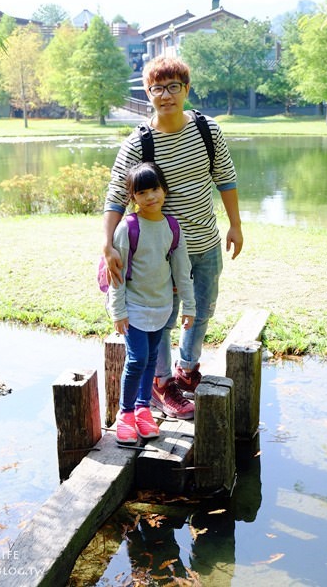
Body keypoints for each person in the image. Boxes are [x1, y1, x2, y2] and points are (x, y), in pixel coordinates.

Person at [103, 56, 243, 420]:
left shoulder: (207, 130)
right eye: (157, 89)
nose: (166, 95)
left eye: (173, 87)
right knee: (164, 317)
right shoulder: (139, 143)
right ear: (148, 94)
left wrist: (236, 224)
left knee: (202, 311)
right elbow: (116, 194)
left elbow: (225, 177)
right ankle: (163, 383)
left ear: (186, 89)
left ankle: (188, 369)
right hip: (161, 251)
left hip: (207, 243)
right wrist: (107, 244)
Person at [109, 161, 195, 444]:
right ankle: (126, 414)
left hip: (162, 306)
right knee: (136, 360)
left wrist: (189, 306)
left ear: (164, 190)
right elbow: (117, 275)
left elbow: (182, 271)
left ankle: (144, 409)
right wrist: (118, 311)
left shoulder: (172, 226)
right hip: (133, 306)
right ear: (132, 197)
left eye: (155, 189)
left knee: (150, 362)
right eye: (142, 192)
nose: (150, 197)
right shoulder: (128, 227)